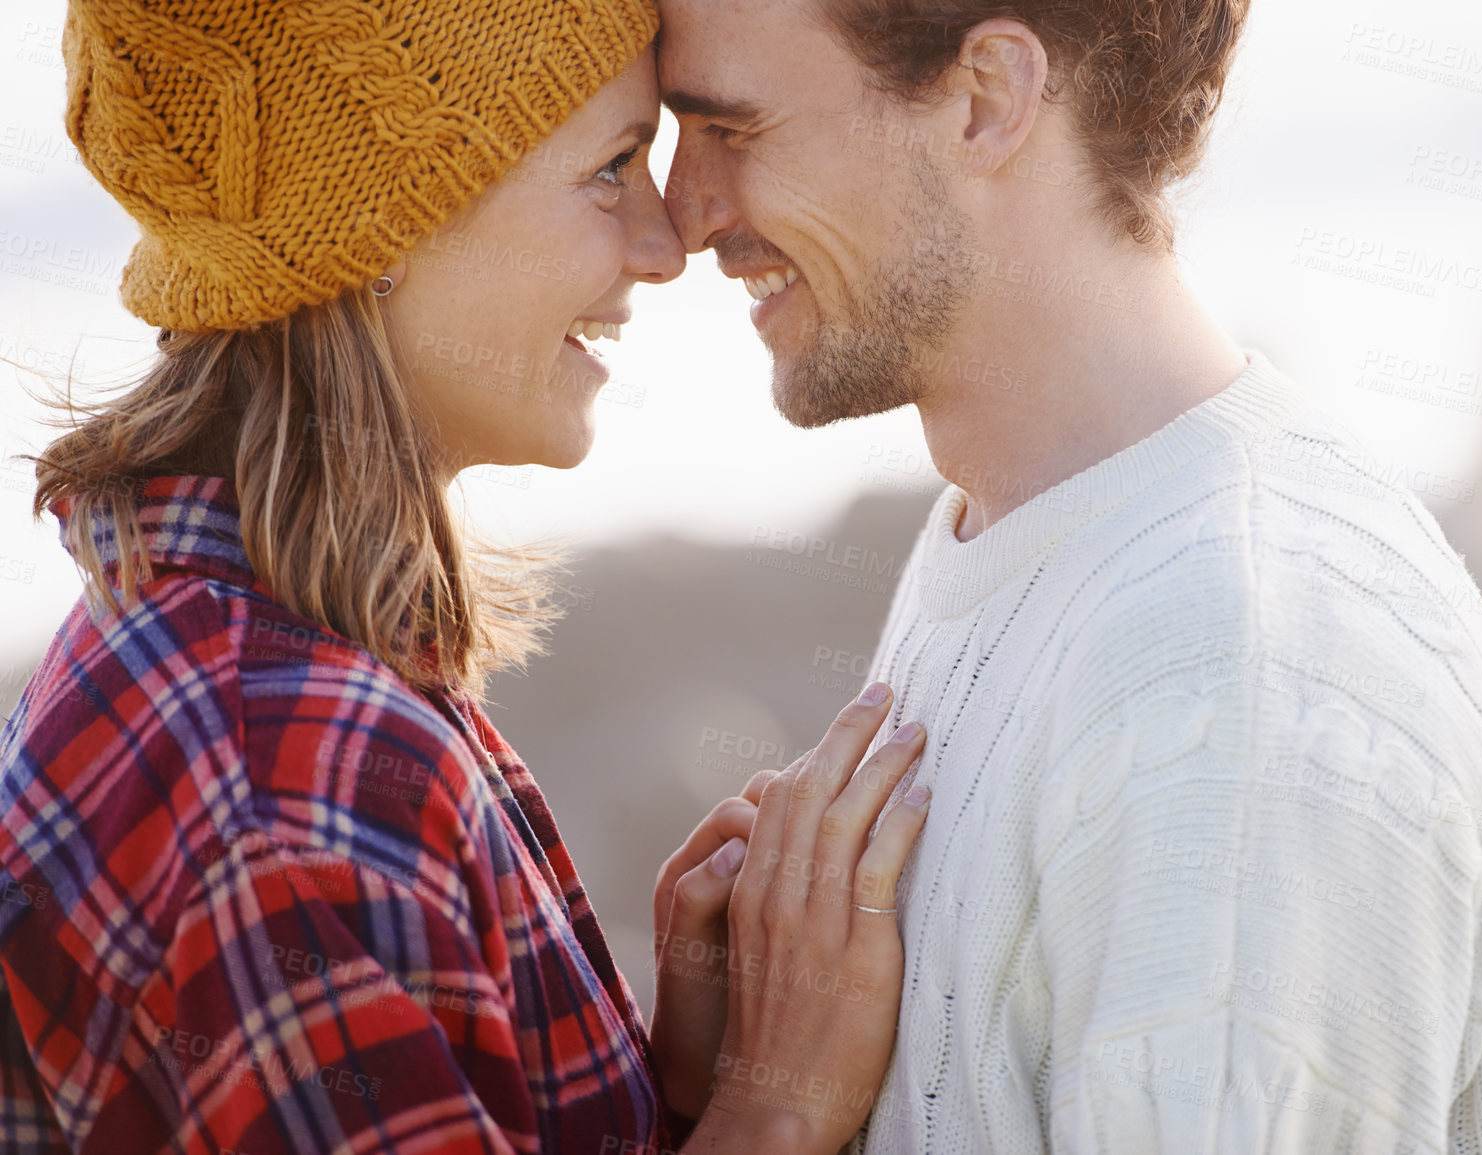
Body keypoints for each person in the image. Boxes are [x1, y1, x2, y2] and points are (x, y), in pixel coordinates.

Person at [0, 2, 933, 1152]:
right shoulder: (287, 785)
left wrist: (679, 1098)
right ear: (378, 227)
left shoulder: (245, 650)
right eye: (609, 169)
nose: (664, 242)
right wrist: (776, 1111)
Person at [657, 0, 1482, 1151]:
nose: (683, 215)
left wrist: (768, 1122)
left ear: (988, 98)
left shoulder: (1236, 676)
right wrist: (714, 1097)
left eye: (731, 129)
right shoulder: (1024, 529)